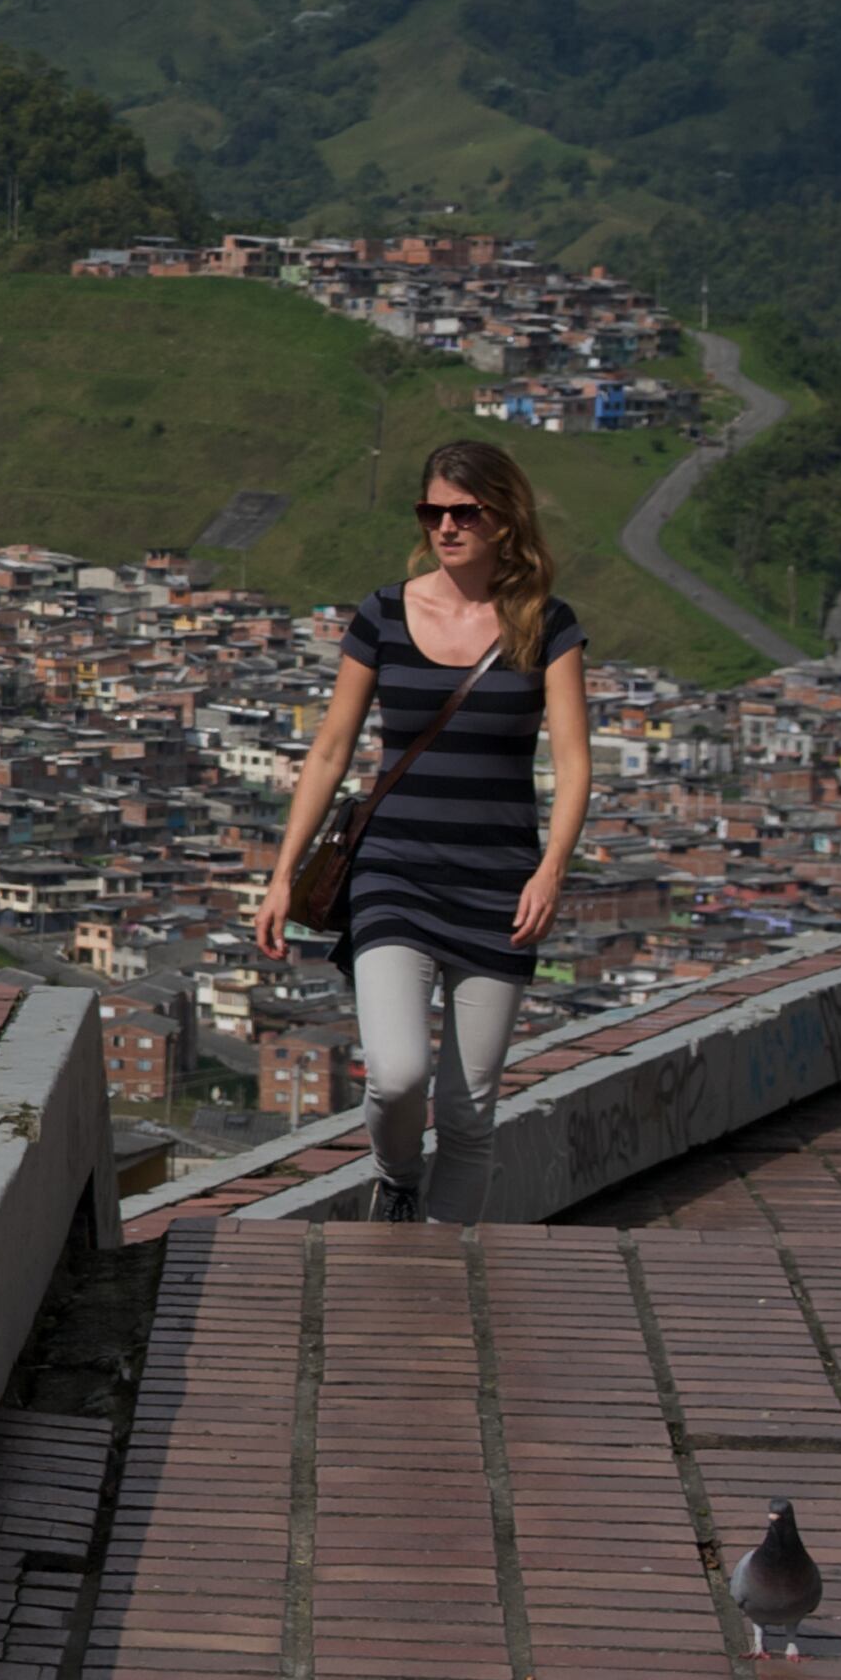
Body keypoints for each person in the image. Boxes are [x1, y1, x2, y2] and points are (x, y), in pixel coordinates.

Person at [251, 439, 593, 1223]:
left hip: (498, 881)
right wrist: (282, 871)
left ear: (505, 517)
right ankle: (397, 1175)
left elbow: (574, 763)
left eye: (464, 511)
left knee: (470, 1112)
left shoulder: (549, 626)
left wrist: (551, 870)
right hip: (394, 871)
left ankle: (441, 1268)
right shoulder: (383, 613)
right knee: (398, 1074)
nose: (446, 525)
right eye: (432, 510)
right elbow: (332, 746)